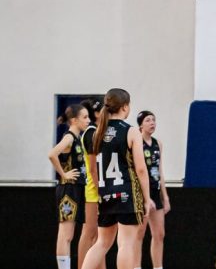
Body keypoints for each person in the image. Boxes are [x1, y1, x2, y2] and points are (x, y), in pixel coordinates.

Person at [82, 88, 155, 269]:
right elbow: (141, 169)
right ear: (124, 107)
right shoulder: (130, 131)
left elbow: (92, 169)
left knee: (102, 243)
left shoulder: (95, 133)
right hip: (126, 193)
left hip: (105, 192)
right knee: (126, 244)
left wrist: (101, 192)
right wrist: (147, 199)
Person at [49, 104, 91, 269]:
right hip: (68, 189)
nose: (88, 120)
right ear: (74, 120)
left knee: (70, 235)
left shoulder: (78, 138)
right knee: (65, 234)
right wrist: (63, 174)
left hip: (78, 188)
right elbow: (52, 154)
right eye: (85, 117)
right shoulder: (69, 138)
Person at [134, 111, 170, 269]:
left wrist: (166, 197)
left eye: (154, 120)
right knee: (139, 233)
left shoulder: (158, 143)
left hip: (156, 192)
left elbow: (160, 171)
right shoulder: (136, 142)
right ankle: (136, 266)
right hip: (142, 193)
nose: (152, 123)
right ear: (141, 125)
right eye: (148, 120)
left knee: (159, 233)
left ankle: (158, 267)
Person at [78, 97, 105, 269]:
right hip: (93, 190)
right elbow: (93, 168)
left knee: (99, 238)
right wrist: (100, 190)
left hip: (99, 188)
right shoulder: (90, 132)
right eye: (103, 110)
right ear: (96, 113)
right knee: (89, 233)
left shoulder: (99, 131)